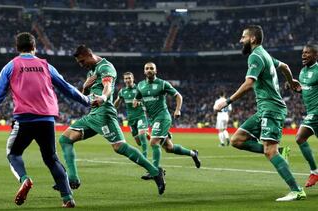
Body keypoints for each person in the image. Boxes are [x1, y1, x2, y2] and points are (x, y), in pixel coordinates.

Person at [0, 32, 91, 208]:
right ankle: (68, 197)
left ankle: (25, 179)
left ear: (16, 48)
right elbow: (67, 88)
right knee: (51, 158)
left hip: (24, 120)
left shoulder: (10, 66)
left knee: (13, 153)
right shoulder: (46, 66)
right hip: (47, 119)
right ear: (34, 47)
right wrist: (87, 101)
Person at [57, 45, 166, 195]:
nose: (81, 65)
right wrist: (85, 88)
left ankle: (155, 171)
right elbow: (85, 97)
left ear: (89, 55)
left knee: (119, 147)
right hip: (93, 114)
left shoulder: (105, 67)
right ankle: (73, 178)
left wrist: (103, 97)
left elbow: (107, 87)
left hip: (104, 113)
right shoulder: (91, 71)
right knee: (65, 140)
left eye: (82, 61)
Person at [214, 25, 305, 201]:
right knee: (236, 140)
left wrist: (228, 101)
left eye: (243, 37)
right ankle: (280, 151)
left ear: (253, 39)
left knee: (269, 151)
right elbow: (284, 66)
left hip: (272, 108)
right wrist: (291, 81)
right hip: (264, 109)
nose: (241, 40)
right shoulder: (265, 54)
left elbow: (249, 83)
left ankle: (296, 190)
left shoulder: (256, 56)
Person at [134, 62, 201, 180]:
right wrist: (136, 102)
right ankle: (192, 153)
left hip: (163, 117)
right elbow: (137, 99)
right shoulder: (140, 85)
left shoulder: (162, 84)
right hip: (153, 119)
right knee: (169, 148)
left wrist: (178, 110)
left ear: (156, 71)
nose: (149, 70)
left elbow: (178, 96)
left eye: (151, 68)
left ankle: (154, 171)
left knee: (153, 142)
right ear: (144, 71)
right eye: (147, 68)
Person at [295, 43, 318, 188]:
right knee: (300, 138)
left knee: (300, 137)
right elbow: (306, 89)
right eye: (303, 52)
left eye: (307, 53)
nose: (303, 55)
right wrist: (297, 89)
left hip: (316, 113)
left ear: (316, 55)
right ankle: (315, 172)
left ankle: (314, 172)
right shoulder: (302, 72)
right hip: (312, 112)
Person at [114, 72, 150, 158]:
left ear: (133, 79)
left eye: (129, 78)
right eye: (126, 78)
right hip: (131, 118)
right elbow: (117, 102)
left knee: (141, 134)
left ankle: (144, 157)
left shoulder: (139, 88)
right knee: (138, 142)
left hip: (141, 115)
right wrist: (113, 108)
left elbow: (147, 99)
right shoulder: (122, 91)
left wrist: (141, 102)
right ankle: (148, 134)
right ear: (124, 80)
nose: (127, 80)